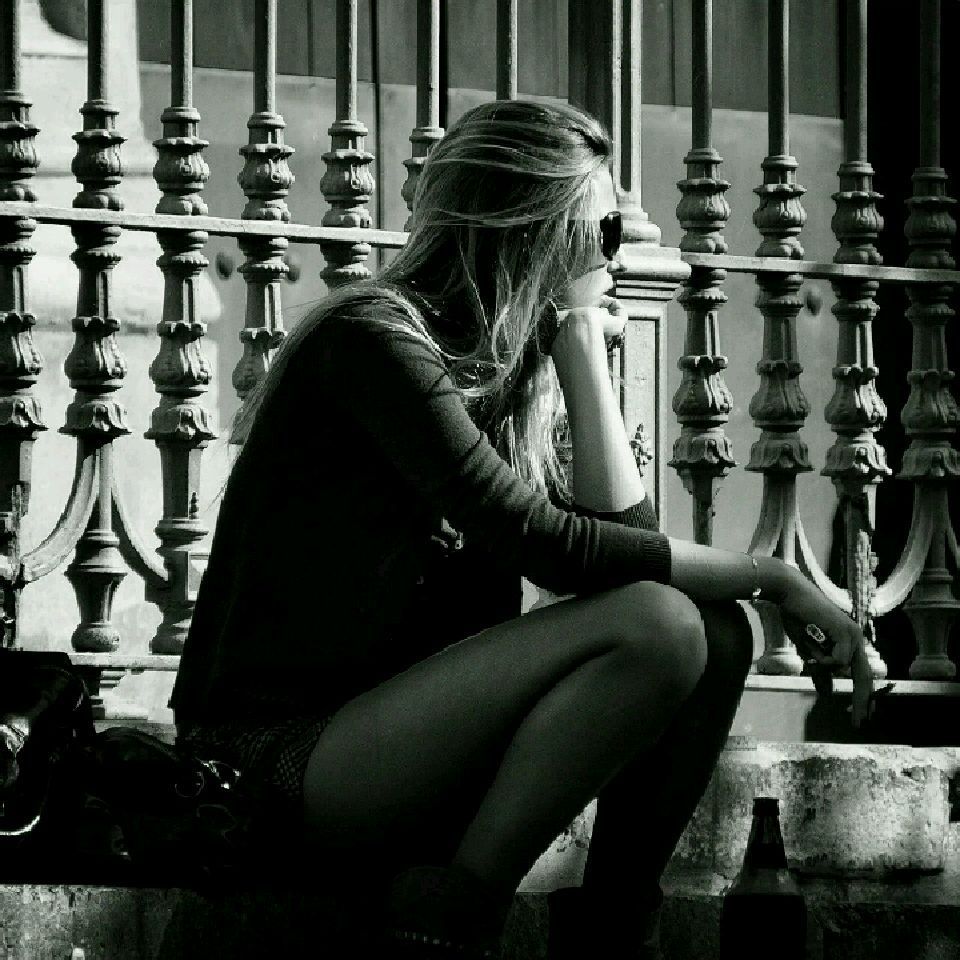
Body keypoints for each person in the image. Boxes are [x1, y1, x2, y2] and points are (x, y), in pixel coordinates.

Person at [169, 99, 873, 959]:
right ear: (531, 226)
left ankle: (613, 928)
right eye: (603, 230)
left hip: (404, 751)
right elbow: (547, 545)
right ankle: (455, 913)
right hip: (271, 766)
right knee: (659, 622)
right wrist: (776, 575)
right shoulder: (375, 341)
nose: (616, 255)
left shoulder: (510, 369)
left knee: (712, 634)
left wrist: (580, 350)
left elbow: (628, 548)